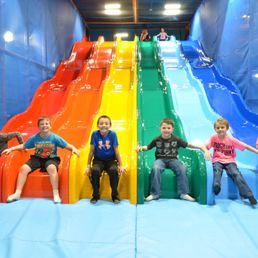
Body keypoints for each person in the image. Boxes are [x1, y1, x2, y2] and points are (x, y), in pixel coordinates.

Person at [2, 116, 80, 203]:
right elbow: (24, 146)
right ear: (39, 127)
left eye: (47, 124)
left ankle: (56, 193)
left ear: (50, 126)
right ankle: (17, 193)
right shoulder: (35, 138)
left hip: (51, 158)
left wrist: (74, 148)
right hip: (37, 158)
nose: (44, 125)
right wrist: (12, 149)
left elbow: (66, 145)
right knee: (24, 169)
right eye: (42, 124)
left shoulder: (54, 137)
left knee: (51, 168)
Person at [136, 118, 210, 202]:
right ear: (160, 128)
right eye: (164, 128)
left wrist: (200, 147)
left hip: (173, 159)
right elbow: (148, 147)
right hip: (160, 159)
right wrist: (141, 148)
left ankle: (183, 193)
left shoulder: (176, 139)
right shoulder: (156, 139)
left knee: (182, 168)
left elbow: (187, 145)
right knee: (156, 168)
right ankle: (154, 194)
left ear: (172, 129)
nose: (166, 130)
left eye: (168, 128)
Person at [206, 118, 258, 205]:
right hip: (217, 160)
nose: (220, 129)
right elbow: (205, 146)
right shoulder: (213, 138)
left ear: (227, 128)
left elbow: (246, 146)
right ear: (215, 129)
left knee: (236, 174)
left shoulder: (232, 140)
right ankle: (217, 186)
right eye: (218, 128)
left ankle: (249, 195)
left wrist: (257, 151)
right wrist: (206, 151)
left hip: (230, 161)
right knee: (217, 170)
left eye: (222, 127)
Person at [85, 115, 126, 204]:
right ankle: (96, 195)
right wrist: (88, 166)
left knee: (114, 170)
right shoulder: (94, 134)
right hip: (98, 160)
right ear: (97, 125)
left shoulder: (113, 134)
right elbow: (91, 151)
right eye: (101, 123)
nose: (104, 125)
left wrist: (121, 165)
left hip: (111, 160)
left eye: (106, 123)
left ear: (110, 125)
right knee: (95, 171)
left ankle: (114, 195)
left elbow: (116, 151)